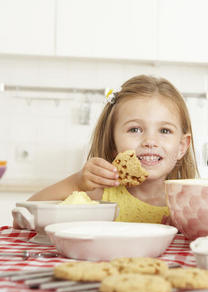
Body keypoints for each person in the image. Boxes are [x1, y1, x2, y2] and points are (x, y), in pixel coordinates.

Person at [24, 74, 197, 224]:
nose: (150, 141)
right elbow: (27, 213)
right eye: (135, 129)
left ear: (182, 146)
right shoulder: (100, 196)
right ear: (113, 143)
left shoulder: (192, 203)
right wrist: (76, 183)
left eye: (164, 130)